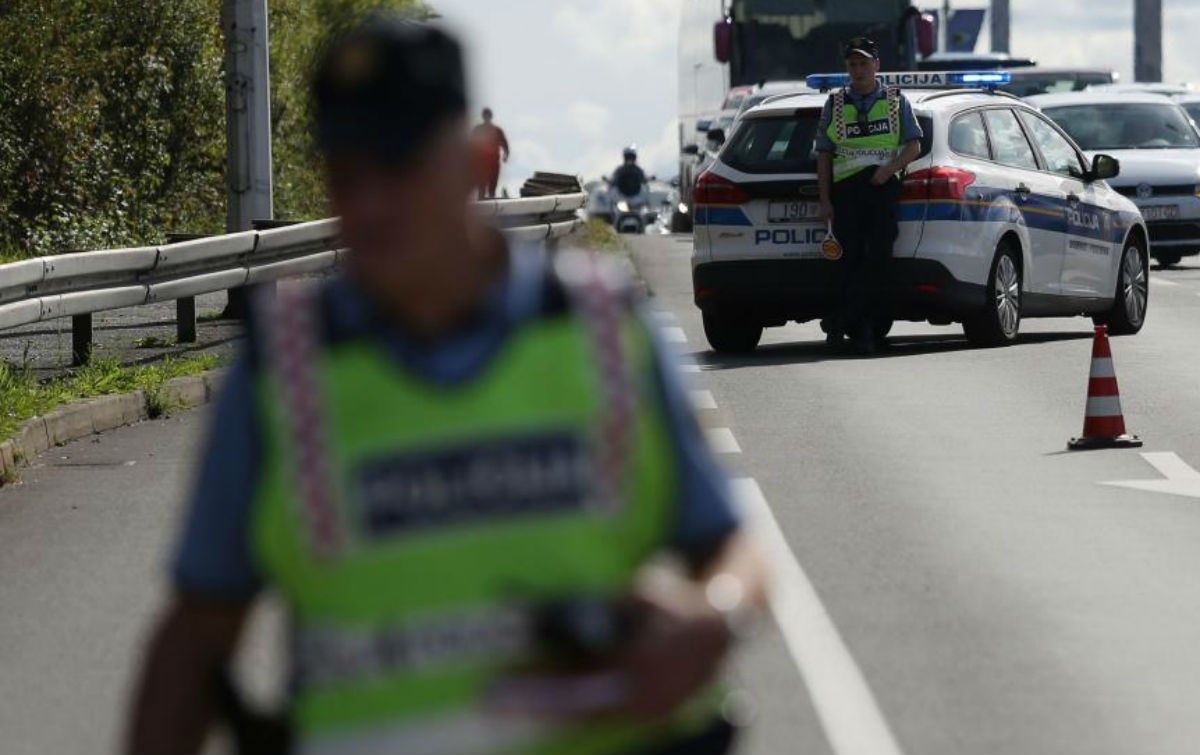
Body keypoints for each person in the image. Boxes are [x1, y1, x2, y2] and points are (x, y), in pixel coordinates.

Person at [125, 15, 765, 755]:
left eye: (399, 167)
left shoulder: (598, 329)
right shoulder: (285, 370)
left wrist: (712, 617)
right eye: (347, 173)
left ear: (474, 160)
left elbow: (730, 547)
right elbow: (196, 634)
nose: (369, 204)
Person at [815, 36, 923, 355]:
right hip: (845, 191)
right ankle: (851, 324)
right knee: (848, 262)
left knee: (878, 259)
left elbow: (914, 145)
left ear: (876, 65)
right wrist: (825, 200)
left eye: (863, 63)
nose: (858, 70)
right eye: (852, 64)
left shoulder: (895, 102)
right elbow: (823, 155)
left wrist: (888, 170)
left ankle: (853, 323)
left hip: (880, 188)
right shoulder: (834, 104)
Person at [473, 106, 509, 198]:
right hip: (481, 163)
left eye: (488, 115)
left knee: (492, 187)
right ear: (483, 116)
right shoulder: (478, 130)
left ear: (490, 116)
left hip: (493, 162)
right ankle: (482, 206)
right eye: (486, 115)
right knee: (482, 187)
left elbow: (505, 144)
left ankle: (491, 202)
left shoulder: (497, 130)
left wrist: (506, 154)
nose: (487, 117)